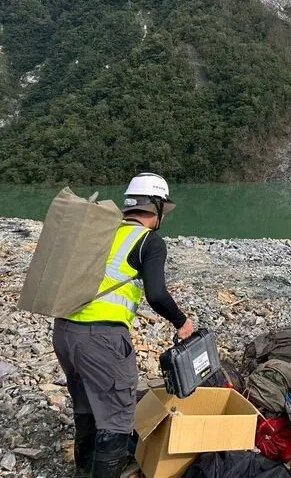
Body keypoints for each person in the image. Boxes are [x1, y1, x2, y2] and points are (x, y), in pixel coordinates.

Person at [53, 173, 193, 478]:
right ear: (155, 207)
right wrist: (181, 322)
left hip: (64, 331)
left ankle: (83, 470)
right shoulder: (148, 241)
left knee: (87, 404)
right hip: (100, 338)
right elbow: (156, 294)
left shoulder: (103, 230)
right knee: (116, 417)